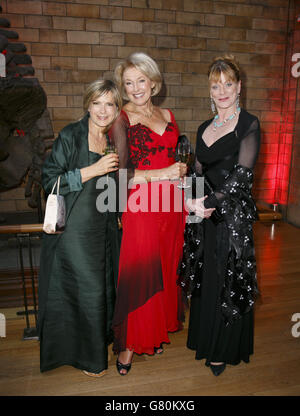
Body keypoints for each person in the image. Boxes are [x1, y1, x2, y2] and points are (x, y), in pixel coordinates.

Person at [178, 55, 260, 376]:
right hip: (205, 218)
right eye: (216, 85)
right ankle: (206, 340)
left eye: (228, 84)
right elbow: (198, 171)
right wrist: (189, 195)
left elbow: (241, 175)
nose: (222, 90)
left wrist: (209, 201)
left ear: (239, 87)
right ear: (209, 91)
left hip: (231, 216)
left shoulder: (249, 124)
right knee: (208, 275)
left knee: (228, 278)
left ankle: (223, 347)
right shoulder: (203, 127)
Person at [38, 79, 123, 377]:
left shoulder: (113, 138)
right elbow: (50, 182)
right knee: (89, 290)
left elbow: (116, 188)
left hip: (104, 229)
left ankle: (89, 348)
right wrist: (93, 170)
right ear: (88, 104)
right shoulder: (71, 135)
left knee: (100, 290)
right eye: (97, 103)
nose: (103, 110)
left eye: (109, 104)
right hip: (74, 229)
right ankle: (90, 359)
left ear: (117, 109)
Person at [110, 52, 187, 375]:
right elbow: (121, 176)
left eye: (140, 80)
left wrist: (182, 175)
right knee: (140, 271)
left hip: (173, 208)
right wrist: (166, 172)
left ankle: (153, 334)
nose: (135, 88)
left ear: (153, 82)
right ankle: (129, 346)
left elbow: (178, 160)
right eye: (128, 83)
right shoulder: (120, 120)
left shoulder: (169, 114)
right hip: (140, 206)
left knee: (166, 268)